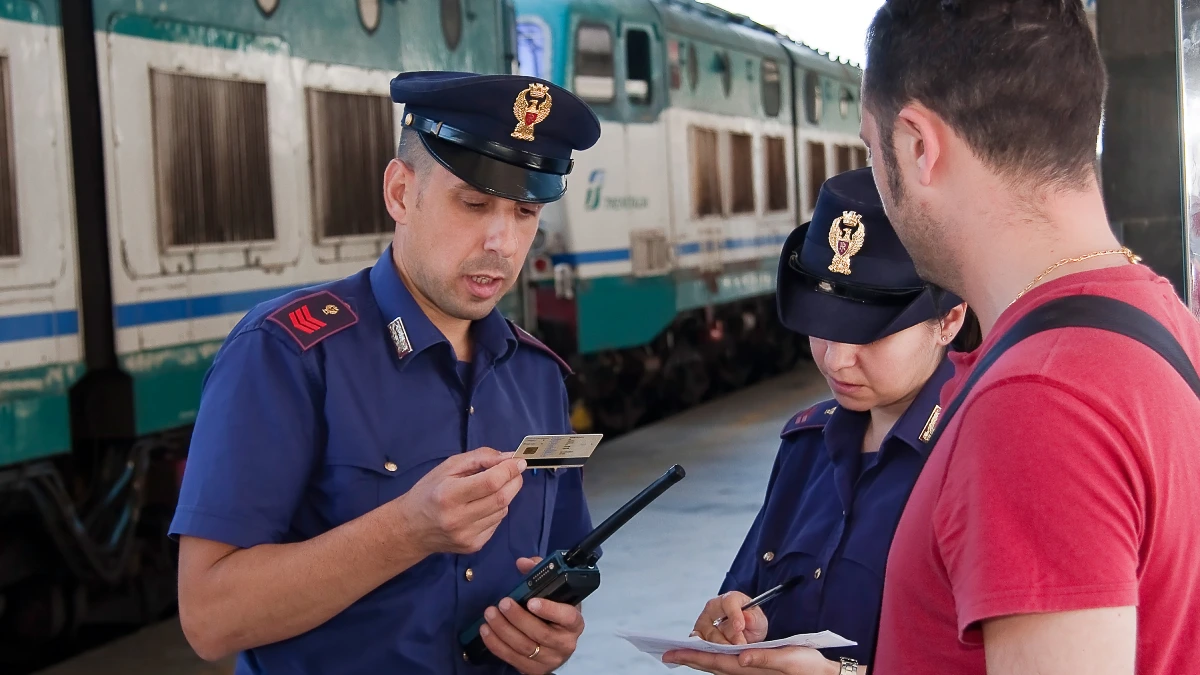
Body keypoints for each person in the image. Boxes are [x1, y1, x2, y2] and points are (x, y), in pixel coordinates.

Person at [168, 71, 602, 675]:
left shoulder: (536, 377)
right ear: (400, 193)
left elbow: (560, 565)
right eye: (473, 204)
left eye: (526, 211)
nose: (502, 241)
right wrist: (408, 529)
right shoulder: (287, 354)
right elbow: (211, 620)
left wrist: (550, 636)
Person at [858, 1, 1200, 673]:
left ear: (919, 145)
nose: (874, 177)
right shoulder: (1160, 315)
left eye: (870, 149)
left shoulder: (1037, 403)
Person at [663, 167, 977, 675]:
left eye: (869, 334)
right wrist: (747, 625)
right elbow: (750, 593)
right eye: (822, 328)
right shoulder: (807, 444)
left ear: (949, 320)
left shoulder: (980, 456)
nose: (835, 360)